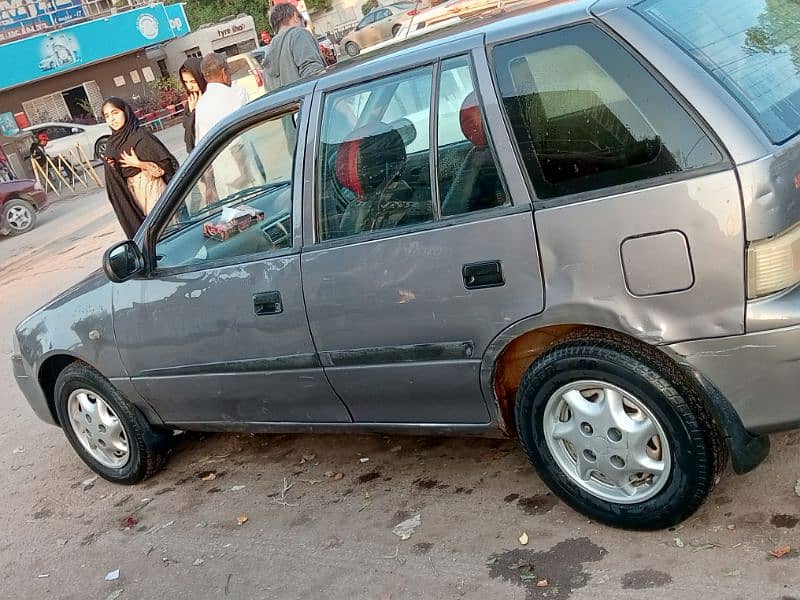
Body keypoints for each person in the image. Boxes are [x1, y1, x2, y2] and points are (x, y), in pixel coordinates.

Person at [102, 97, 179, 238]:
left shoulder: (141, 136)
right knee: (146, 236)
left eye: (115, 113)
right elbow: (114, 181)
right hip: (132, 195)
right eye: (107, 116)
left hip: (152, 188)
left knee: (163, 230)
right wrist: (112, 167)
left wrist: (139, 164)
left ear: (125, 111)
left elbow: (165, 166)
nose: (112, 119)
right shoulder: (111, 144)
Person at [194, 53, 260, 201]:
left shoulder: (201, 105)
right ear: (224, 73)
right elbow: (246, 135)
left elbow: (201, 145)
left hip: (223, 175)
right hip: (245, 172)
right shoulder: (235, 95)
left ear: (205, 77)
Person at [262, 3, 325, 92]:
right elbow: (314, 74)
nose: (304, 26)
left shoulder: (268, 52)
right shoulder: (298, 34)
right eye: (304, 23)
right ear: (295, 16)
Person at [178, 57, 208, 153]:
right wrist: (192, 112)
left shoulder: (212, 96)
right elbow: (189, 140)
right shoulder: (191, 103)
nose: (189, 86)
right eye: (185, 82)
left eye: (193, 82)